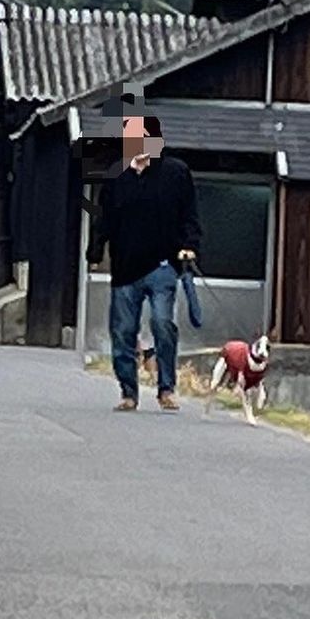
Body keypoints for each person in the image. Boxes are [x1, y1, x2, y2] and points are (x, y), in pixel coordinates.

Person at [87, 113, 201, 412]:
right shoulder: (117, 179)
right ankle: (128, 391)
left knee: (163, 324)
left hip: (163, 265)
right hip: (125, 268)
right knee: (123, 331)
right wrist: (95, 252)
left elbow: (189, 214)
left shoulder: (175, 173)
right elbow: (104, 221)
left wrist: (190, 245)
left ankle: (166, 388)